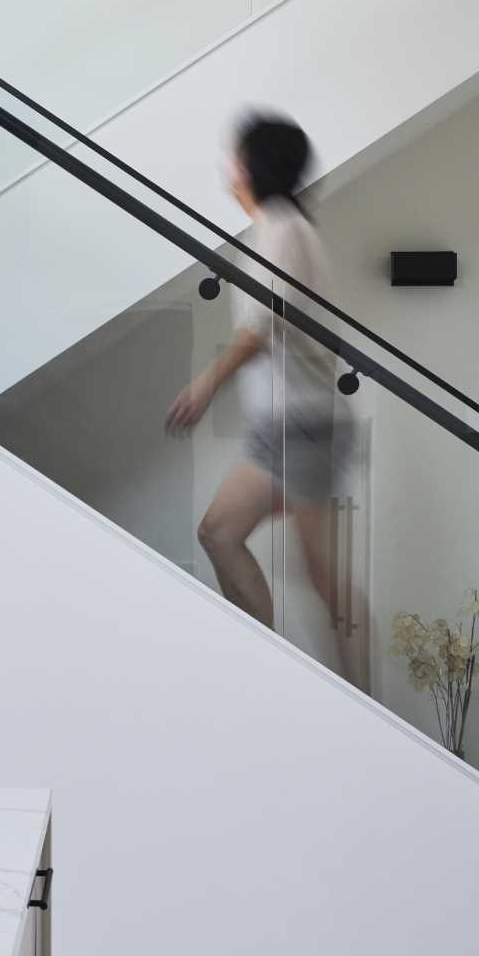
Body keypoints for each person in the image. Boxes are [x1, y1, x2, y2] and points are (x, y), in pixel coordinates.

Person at [166, 111, 356, 663]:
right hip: (289, 422)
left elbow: (265, 323)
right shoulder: (277, 228)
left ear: (252, 167)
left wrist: (207, 383)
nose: (229, 167)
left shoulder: (282, 228)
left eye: (236, 156)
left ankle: (359, 704)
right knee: (221, 534)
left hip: (304, 421)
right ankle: (271, 670)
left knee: (316, 575)